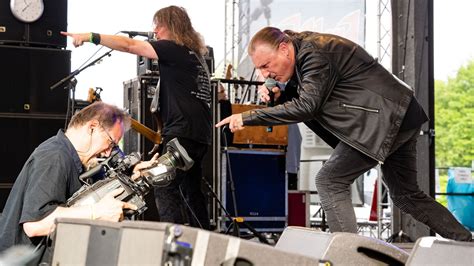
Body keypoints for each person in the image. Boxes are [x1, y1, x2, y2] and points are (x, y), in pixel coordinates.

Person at [216, 26, 472, 241]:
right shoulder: (302, 58)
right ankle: (466, 244)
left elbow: (308, 106)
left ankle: (349, 256)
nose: (264, 74)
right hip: (396, 117)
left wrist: (248, 116)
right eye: (260, 69)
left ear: (284, 48)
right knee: (406, 196)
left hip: (382, 120)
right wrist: (278, 92)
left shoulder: (316, 53)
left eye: (266, 65)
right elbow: (307, 97)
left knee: (329, 181)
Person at [61, 5, 212, 230]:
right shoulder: (195, 57)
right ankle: (204, 243)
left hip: (180, 133)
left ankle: (175, 247)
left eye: (158, 26)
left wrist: (91, 36)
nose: (155, 32)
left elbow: (130, 45)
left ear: (170, 26)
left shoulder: (173, 48)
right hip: (199, 136)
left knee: (164, 185)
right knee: (191, 192)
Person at [0, 102, 137, 253]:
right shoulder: (55, 157)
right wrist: (96, 212)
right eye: (110, 143)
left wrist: (133, 176)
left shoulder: (77, 161)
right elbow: (36, 224)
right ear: (92, 127)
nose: (107, 153)